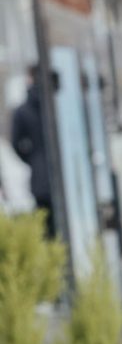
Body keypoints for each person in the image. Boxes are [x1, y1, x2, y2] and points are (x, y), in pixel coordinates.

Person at [10, 65, 54, 236]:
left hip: (39, 178)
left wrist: (32, 159)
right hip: (61, 174)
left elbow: (16, 144)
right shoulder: (53, 103)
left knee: (46, 229)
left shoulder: (22, 110)